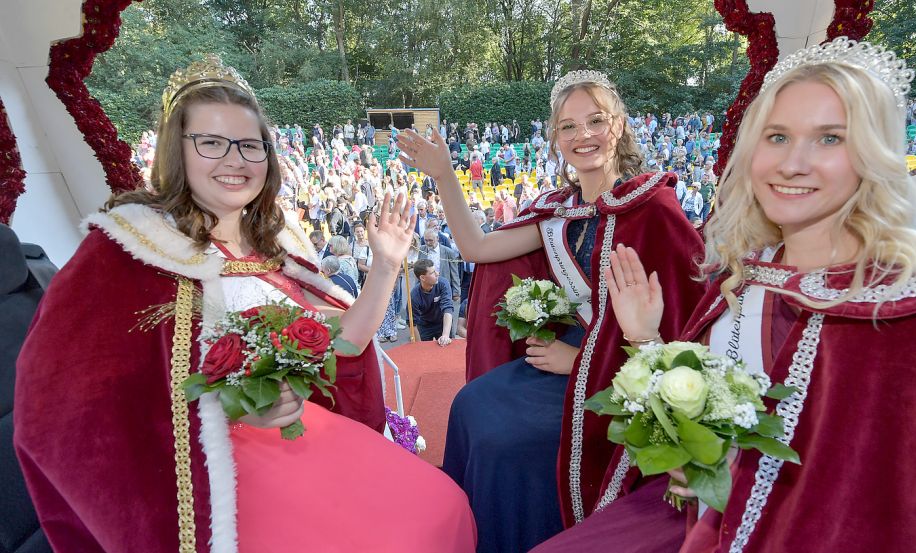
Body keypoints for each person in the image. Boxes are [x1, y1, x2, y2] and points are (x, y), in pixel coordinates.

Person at [534, 37, 916, 553]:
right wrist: (646, 337)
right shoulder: (748, 271)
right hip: (697, 509)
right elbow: (707, 418)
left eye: (830, 138)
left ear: (874, 152)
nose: (793, 162)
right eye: (776, 136)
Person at [14, 56, 476, 552]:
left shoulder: (281, 245)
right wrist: (231, 409)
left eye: (250, 145)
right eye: (211, 142)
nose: (234, 160)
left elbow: (345, 343)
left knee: (439, 503)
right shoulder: (126, 249)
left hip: (303, 433)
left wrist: (385, 265)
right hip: (205, 468)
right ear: (177, 150)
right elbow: (61, 407)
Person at [396, 70, 705, 552]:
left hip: (619, 374)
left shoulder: (655, 209)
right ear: (555, 138)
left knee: (504, 439)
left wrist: (577, 362)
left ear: (618, 126)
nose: (583, 135)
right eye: (568, 126)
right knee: (471, 404)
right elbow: (476, 246)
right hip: (564, 360)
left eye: (596, 121)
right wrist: (443, 173)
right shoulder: (557, 212)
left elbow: (684, 327)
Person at [410, 259, 455, 345]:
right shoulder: (414, 295)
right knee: (424, 352)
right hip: (424, 325)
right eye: (432, 273)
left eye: (436, 271)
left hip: (443, 322)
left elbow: (448, 308)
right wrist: (419, 346)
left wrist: (445, 335)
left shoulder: (443, 283)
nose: (437, 274)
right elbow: (412, 323)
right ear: (422, 278)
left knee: (447, 349)